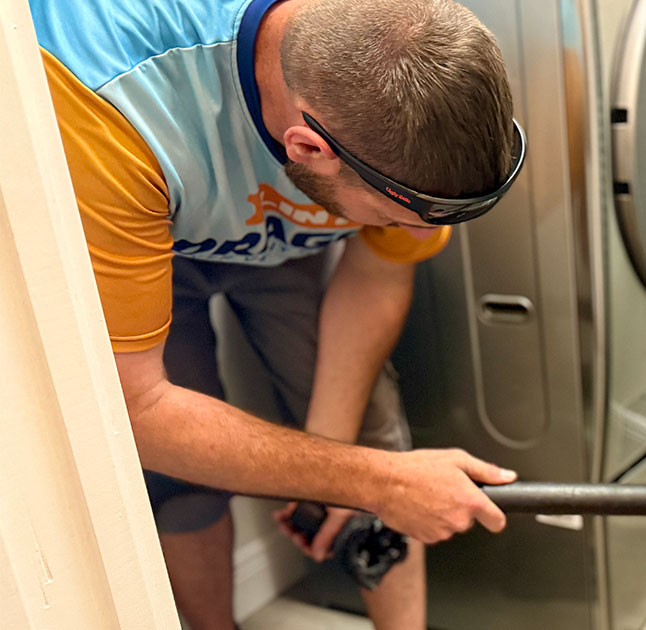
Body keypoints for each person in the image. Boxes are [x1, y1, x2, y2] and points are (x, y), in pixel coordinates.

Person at [30, 0, 525, 627]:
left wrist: (344, 464)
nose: (400, 235)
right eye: (391, 218)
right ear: (309, 147)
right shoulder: (105, 101)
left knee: (369, 429)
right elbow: (138, 408)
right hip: (136, 221)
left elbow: (377, 267)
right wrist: (378, 484)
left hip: (277, 222)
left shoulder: (404, 41)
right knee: (179, 478)